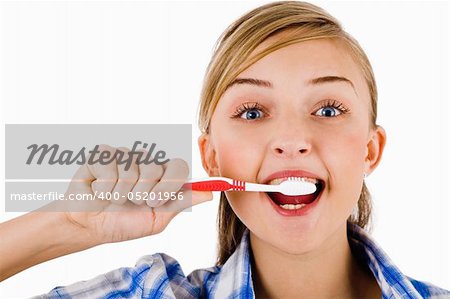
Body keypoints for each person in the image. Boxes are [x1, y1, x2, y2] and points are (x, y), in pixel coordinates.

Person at [0, 1, 449, 298]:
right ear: (212, 157)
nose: (292, 139)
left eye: (328, 109)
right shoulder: (151, 292)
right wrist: (68, 224)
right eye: (253, 112)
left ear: (371, 150)